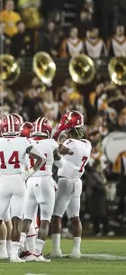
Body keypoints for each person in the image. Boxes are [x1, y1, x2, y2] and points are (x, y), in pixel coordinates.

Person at [0, 114, 45, 263]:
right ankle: (13, 255)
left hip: (3, 180)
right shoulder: (23, 141)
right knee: (17, 220)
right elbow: (41, 158)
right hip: (18, 180)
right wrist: (29, 173)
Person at [20, 117, 62, 262]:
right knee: (45, 219)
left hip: (31, 180)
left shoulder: (27, 142)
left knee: (27, 217)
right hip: (45, 180)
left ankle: (20, 246)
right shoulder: (51, 143)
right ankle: (37, 252)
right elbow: (60, 163)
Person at [50, 110, 91, 258]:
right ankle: (76, 250)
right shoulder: (87, 143)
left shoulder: (69, 142)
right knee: (75, 217)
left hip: (65, 181)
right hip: (77, 182)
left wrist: (58, 135)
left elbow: (59, 150)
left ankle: (56, 250)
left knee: (56, 216)